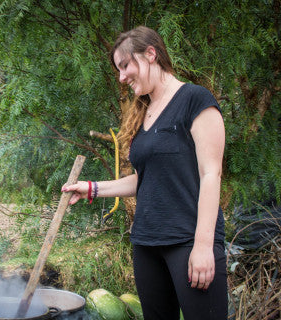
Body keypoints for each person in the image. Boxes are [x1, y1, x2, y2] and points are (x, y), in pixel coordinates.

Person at [62, 26, 227, 320]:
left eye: (125, 65)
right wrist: (92, 188)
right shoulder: (144, 111)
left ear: (151, 54)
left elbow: (211, 174)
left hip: (188, 242)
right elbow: (146, 179)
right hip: (147, 243)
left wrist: (203, 246)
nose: (122, 77)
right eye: (118, 69)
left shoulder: (195, 100)